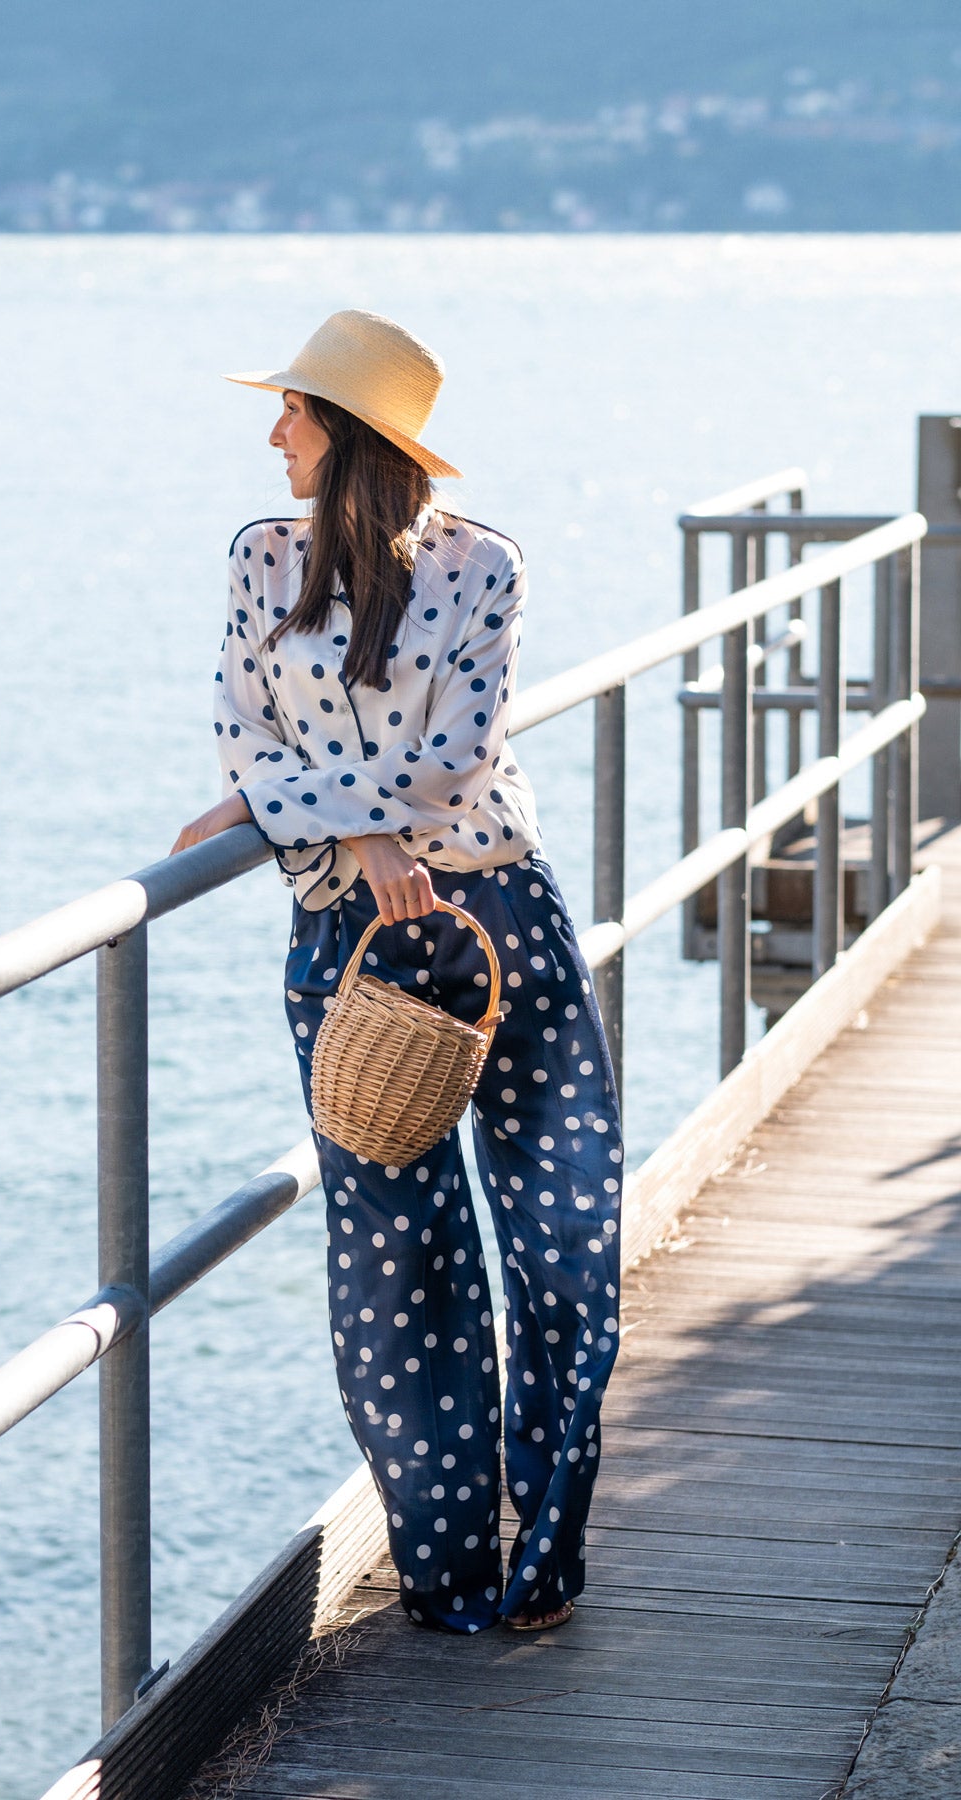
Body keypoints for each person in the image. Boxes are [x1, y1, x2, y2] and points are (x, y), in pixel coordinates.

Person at [172, 310, 622, 1634]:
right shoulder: (263, 557)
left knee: (565, 1238)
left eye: (295, 410)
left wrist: (299, 810)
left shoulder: (484, 566)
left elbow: (457, 763)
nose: (275, 433)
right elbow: (240, 733)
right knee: (395, 1259)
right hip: (348, 934)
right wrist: (351, 833)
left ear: (351, 432)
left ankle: (544, 1559)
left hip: (501, 922)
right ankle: (445, 1571)